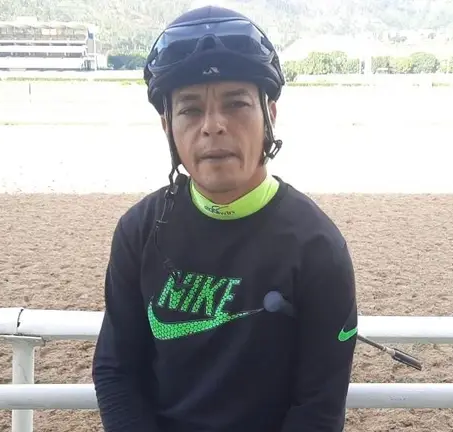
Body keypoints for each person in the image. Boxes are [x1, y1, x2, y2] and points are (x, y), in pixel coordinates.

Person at [91, 5, 359, 432]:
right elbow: (116, 371)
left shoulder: (317, 246)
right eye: (190, 109)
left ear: (270, 116)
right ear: (167, 126)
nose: (213, 126)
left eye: (236, 104)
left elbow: (319, 407)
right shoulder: (138, 231)